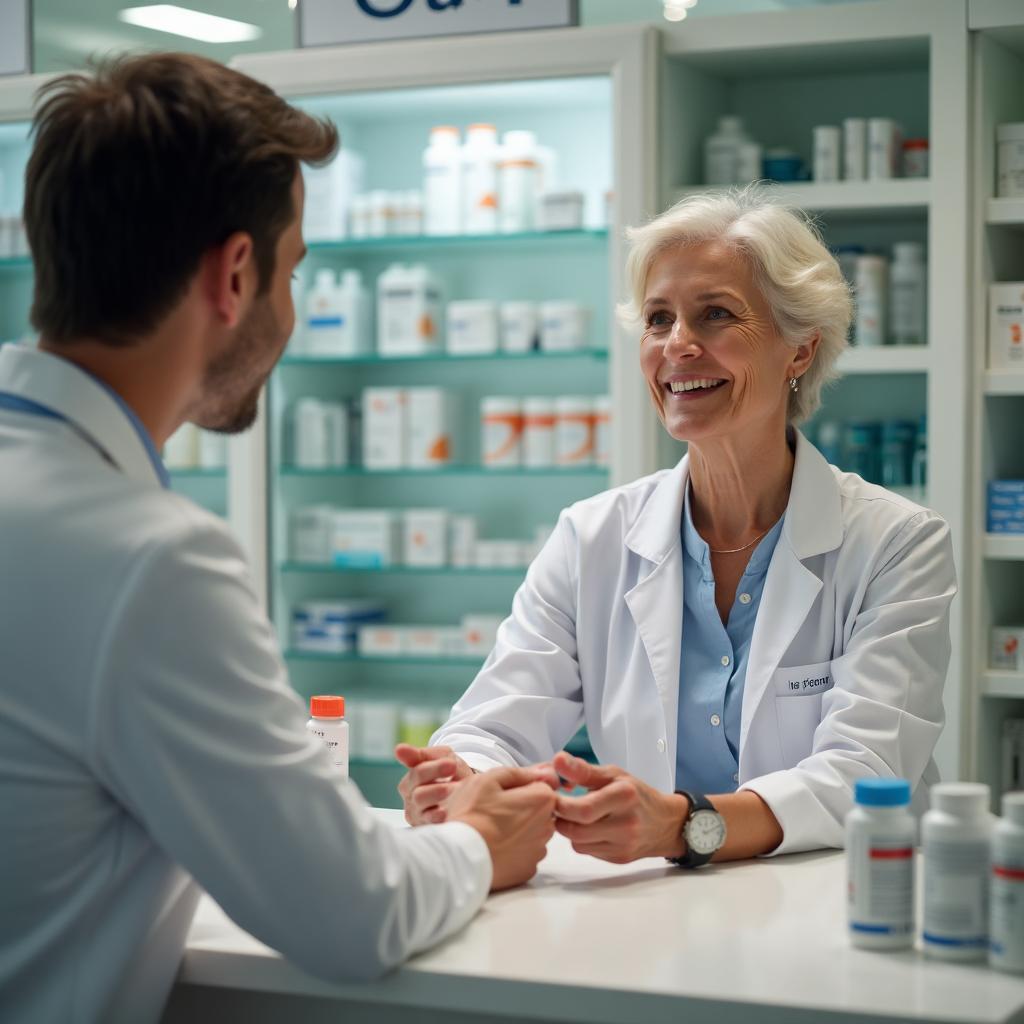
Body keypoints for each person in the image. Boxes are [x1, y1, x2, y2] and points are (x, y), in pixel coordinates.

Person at [0, 53, 559, 1024]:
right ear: (235, 273)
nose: (290, 310)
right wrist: (477, 842)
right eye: (293, 269)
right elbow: (351, 915)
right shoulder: (147, 558)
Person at [398, 188, 956, 867]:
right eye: (659, 319)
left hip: (838, 905)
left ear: (800, 351)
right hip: (653, 911)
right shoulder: (591, 538)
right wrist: (459, 776)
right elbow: (497, 719)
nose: (677, 346)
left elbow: (866, 774)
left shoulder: (896, 544)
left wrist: (684, 826)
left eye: (716, 315)